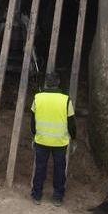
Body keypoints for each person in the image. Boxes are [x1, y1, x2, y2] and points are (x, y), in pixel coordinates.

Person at [29, 72, 75, 206]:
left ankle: (37, 195)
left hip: (41, 140)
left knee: (40, 168)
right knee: (59, 169)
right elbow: (71, 123)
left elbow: (32, 121)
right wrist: (74, 138)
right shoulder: (66, 100)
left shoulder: (37, 98)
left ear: (46, 83)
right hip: (60, 142)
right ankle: (57, 197)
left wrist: (34, 135)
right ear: (58, 82)